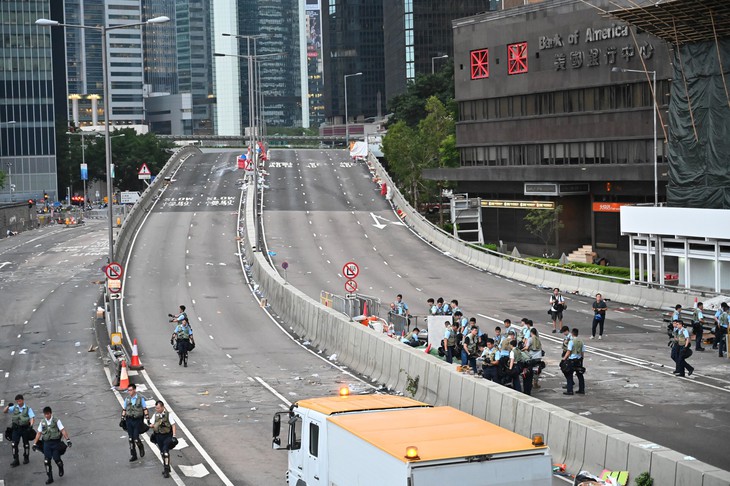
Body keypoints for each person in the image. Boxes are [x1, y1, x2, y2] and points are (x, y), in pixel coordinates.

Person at [33, 406, 71, 484]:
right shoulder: (42, 422)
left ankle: (60, 467)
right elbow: (39, 433)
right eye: (45, 414)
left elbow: (62, 430)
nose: (46, 416)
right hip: (46, 444)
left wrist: (68, 439)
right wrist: (34, 443)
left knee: (57, 459)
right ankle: (50, 478)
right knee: (47, 461)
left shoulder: (56, 420)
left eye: (48, 414)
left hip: (55, 443)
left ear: (51, 413)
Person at [3, 394, 35, 467]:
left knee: (26, 444)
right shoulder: (14, 407)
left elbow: (32, 417)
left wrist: (31, 425)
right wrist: (8, 406)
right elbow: (4, 411)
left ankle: (26, 457)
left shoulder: (27, 408)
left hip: (25, 428)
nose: (19, 403)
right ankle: (16, 460)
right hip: (16, 429)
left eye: (20, 401)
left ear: (23, 400)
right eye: (17, 401)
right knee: (14, 444)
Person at [149, 401, 177, 479]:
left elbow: (173, 425)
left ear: (162, 407)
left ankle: (166, 470)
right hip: (158, 436)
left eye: (158, 408)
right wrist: (151, 425)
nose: (156, 409)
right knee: (162, 453)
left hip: (167, 436)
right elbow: (151, 423)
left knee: (165, 453)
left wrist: (174, 436)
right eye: (156, 408)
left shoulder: (168, 415)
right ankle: (167, 465)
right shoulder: (155, 415)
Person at [122, 383, 150, 462]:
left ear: (134, 390)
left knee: (136, 438)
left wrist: (147, 418)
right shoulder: (127, 399)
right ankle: (133, 455)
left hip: (137, 420)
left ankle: (140, 446)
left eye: (130, 390)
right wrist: (122, 418)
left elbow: (144, 408)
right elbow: (124, 409)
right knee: (130, 439)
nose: (129, 392)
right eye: (128, 390)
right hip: (129, 420)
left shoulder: (140, 399)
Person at [562, 328, 585, 395]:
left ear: (572, 333)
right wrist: (582, 359)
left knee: (569, 374)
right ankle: (581, 389)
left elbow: (569, 351)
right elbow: (583, 352)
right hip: (579, 359)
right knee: (580, 375)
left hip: (572, 360)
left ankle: (570, 390)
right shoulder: (581, 341)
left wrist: (564, 358)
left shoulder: (571, 341)